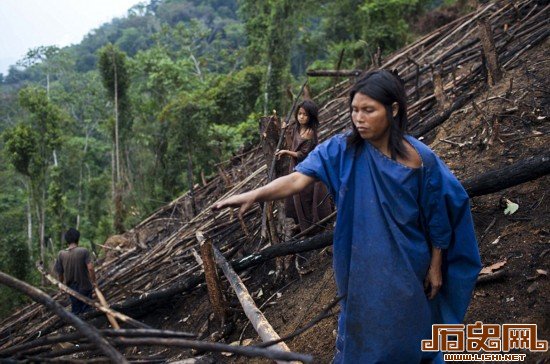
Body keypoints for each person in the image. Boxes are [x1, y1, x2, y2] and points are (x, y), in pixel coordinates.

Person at [213, 69, 482, 363]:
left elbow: (438, 215)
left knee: (407, 328)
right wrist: (256, 194)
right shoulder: (342, 150)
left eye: (368, 110)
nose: (359, 118)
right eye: (354, 110)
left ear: (392, 110)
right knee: (362, 327)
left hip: (407, 263)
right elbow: (297, 180)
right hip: (359, 263)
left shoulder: (421, 159)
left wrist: (435, 264)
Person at [275, 100, 332, 234]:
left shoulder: (310, 132)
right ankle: (302, 224)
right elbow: (290, 138)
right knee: (297, 196)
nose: (301, 117)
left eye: (305, 115)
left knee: (307, 195)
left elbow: (302, 154)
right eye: (299, 114)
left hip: (308, 167)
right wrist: (284, 128)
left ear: (311, 116)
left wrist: (286, 152)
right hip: (296, 165)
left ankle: (313, 225)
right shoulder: (296, 127)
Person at [54, 228, 97, 315]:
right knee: (88, 312)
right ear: (78, 239)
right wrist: (94, 283)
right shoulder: (83, 251)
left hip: (72, 290)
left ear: (67, 241)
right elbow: (91, 268)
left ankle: (78, 327)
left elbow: (60, 273)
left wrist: (61, 285)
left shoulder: (61, 254)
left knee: (76, 312)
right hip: (85, 287)